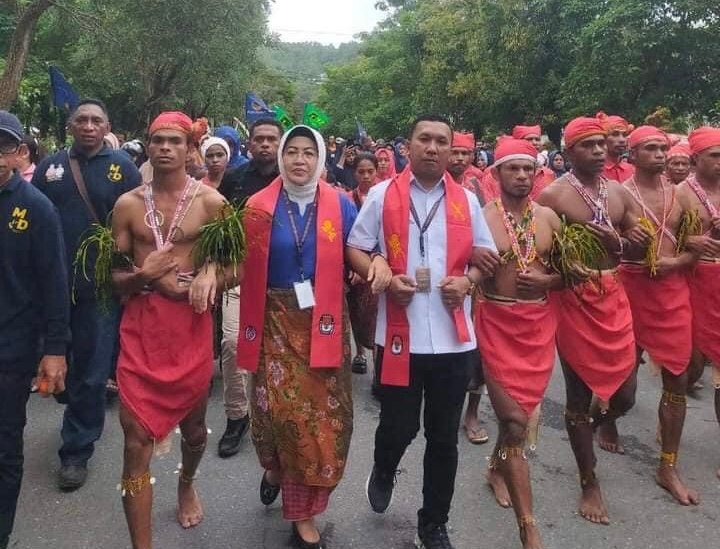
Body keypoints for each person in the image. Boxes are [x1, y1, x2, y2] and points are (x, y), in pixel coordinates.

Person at [347, 115, 497, 549]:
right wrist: (383, 274)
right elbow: (356, 246)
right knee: (399, 426)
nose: (433, 148)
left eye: (441, 142)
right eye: (424, 139)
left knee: (443, 436)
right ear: (407, 147)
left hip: (453, 338)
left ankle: (433, 522)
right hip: (400, 333)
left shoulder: (467, 201)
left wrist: (467, 282)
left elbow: (485, 256)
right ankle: (383, 464)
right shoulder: (380, 195)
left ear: (451, 151)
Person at [237, 125, 387, 549]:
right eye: (292, 152)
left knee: (326, 418)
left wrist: (375, 261)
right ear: (281, 158)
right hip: (275, 322)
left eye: (307, 153)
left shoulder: (339, 204)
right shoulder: (257, 207)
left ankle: (297, 495)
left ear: (319, 159)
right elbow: (237, 261)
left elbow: (358, 248)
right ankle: (287, 490)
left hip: (324, 321)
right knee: (283, 415)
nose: (299, 160)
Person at [111, 111, 234, 549]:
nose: (165, 147)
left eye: (175, 141)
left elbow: (237, 266)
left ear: (190, 149)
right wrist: (144, 276)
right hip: (141, 332)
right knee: (134, 444)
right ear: (147, 146)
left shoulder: (212, 205)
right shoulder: (127, 205)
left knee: (196, 430)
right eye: (157, 140)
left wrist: (211, 275)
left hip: (190, 329)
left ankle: (187, 481)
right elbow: (111, 279)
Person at [536, 116, 649, 525]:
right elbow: (541, 253)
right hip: (574, 302)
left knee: (626, 397)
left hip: (614, 296)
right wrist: (566, 271)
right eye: (589, 145)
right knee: (578, 398)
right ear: (568, 154)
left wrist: (629, 241)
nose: (600, 151)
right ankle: (589, 481)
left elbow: (638, 248)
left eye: (602, 144)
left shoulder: (618, 192)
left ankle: (602, 425)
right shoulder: (552, 196)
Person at [32, 98, 141, 491]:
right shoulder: (51, 168)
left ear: (106, 126)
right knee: (60, 364)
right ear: (71, 125)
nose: (89, 126)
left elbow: (140, 224)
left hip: (100, 287)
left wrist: (131, 274)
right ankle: (76, 405)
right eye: (82, 120)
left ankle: (76, 451)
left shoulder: (123, 168)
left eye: (97, 120)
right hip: (54, 285)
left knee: (93, 371)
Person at [477, 137, 563, 549]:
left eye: (528, 168)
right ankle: (528, 527)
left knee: (520, 416)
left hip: (538, 327)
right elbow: (461, 267)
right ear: (496, 174)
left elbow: (570, 273)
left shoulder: (549, 218)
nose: (522, 175)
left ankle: (497, 466)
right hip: (496, 323)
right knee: (514, 422)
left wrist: (548, 280)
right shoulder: (481, 219)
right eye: (513, 168)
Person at [619, 126, 698, 505]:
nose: (660, 154)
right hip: (629, 292)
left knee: (677, 380)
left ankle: (668, 465)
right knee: (623, 390)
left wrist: (676, 262)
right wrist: (628, 248)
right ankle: (605, 419)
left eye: (662, 148)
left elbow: (693, 250)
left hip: (672, 293)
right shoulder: (618, 196)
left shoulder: (682, 197)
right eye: (650, 148)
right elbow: (606, 251)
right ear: (631, 155)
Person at [0, 110, 69, 549]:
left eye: (3, 146)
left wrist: (55, 350)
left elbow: (54, 283)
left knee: (4, 448)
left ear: (19, 153)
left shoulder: (36, 208)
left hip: (10, 350)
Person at [216, 118, 282, 458]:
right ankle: (237, 416)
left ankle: (278, 422)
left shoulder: (293, 180)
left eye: (272, 139)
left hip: (283, 280)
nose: (266, 145)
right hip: (240, 276)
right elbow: (219, 227)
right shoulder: (233, 179)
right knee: (231, 343)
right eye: (260, 139)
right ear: (250, 144)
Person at [680, 127, 720, 477]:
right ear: (696, 159)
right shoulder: (679, 195)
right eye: (715, 156)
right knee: (690, 369)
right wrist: (690, 243)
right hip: (691, 286)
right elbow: (658, 246)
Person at [447, 131, 492, 444]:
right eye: (456, 152)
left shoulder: (479, 185)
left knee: (478, 352)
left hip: (473, 283)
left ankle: (471, 411)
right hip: (436, 281)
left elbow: (488, 233)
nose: (460, 159)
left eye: (466, 153)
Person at [347, 152, 380, 375]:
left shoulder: (383, 197)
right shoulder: (348, 199)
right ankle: (359, 353)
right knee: (355, 311)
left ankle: (380, 367)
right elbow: (347, 235)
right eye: (361, 172)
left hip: (379, 263)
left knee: (377, 314)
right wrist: (353, 266)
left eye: (370, 171)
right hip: (353, 265)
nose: (366, 176)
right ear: (354, 173)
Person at [448, 132, 494, 208]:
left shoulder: (475, 185)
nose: (460, 158)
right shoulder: (434, 184)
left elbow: (488, 211)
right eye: (454, 153)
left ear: (472, 157)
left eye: (464, 153)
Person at [597, 112, 635, 183]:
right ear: (603, 138)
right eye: (615, 134)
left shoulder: (633, 170)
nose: (622, 140)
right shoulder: (594, 172)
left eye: (624, 135)